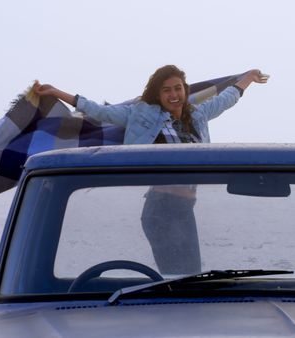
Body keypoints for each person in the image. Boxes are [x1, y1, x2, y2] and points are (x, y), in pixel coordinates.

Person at [34, 65, 268, 274]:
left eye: (177, 88)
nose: (173, 95)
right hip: (160, 209)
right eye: (166, 90)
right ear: (158, 94)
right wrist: (56, 93)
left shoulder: (198, 115)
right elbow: (98, 111)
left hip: (186, 208)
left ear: (185, 90)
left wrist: (247, 78)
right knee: (178, 276)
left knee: (191, 274)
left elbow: (226, 99)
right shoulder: (140, 113)